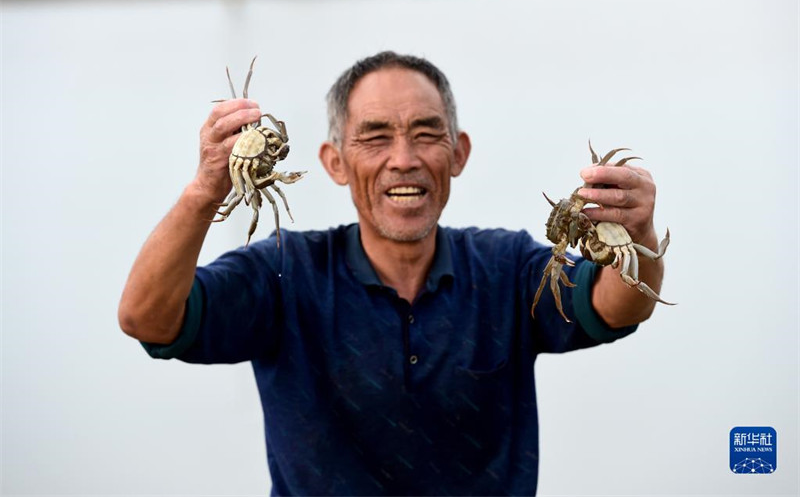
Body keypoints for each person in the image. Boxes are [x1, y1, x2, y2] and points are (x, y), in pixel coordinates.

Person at [118, 51, 666, 495]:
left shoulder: (508, 271)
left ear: (458, 152)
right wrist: (204, 190)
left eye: (426, 133)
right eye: (375, 136)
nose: (403, 158)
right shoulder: (283, 274)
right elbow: (148, 318)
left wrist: (639, 233)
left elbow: (616, 305)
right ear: (334, 162)